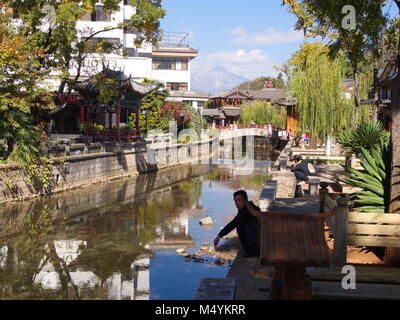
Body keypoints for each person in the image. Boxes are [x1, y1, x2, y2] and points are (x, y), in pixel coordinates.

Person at [213, 190, 261, 257]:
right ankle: (250, 249)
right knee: (240, 224)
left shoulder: (247, 210)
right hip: (258, 235)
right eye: (235, 200)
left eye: (239, 200)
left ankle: (251, 251)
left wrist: (219, 236)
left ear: (245, 200)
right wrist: (219, 236)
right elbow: (234, 221)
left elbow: (233, 224)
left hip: (259, 239)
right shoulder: (246, 206)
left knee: (239, 226)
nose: (237, 203)